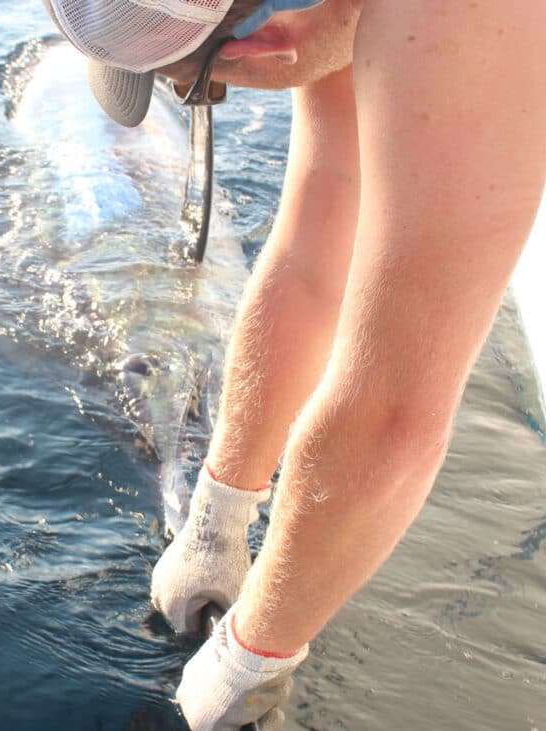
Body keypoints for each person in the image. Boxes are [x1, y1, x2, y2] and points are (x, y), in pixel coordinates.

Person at [40, 0, 546, 728]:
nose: (201, 100)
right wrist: (217, 513)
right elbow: (311, 265)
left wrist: (250, 659)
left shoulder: (453, 21)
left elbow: (393, 415)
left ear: (262, 42)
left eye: (197, 88)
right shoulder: (315, 14)